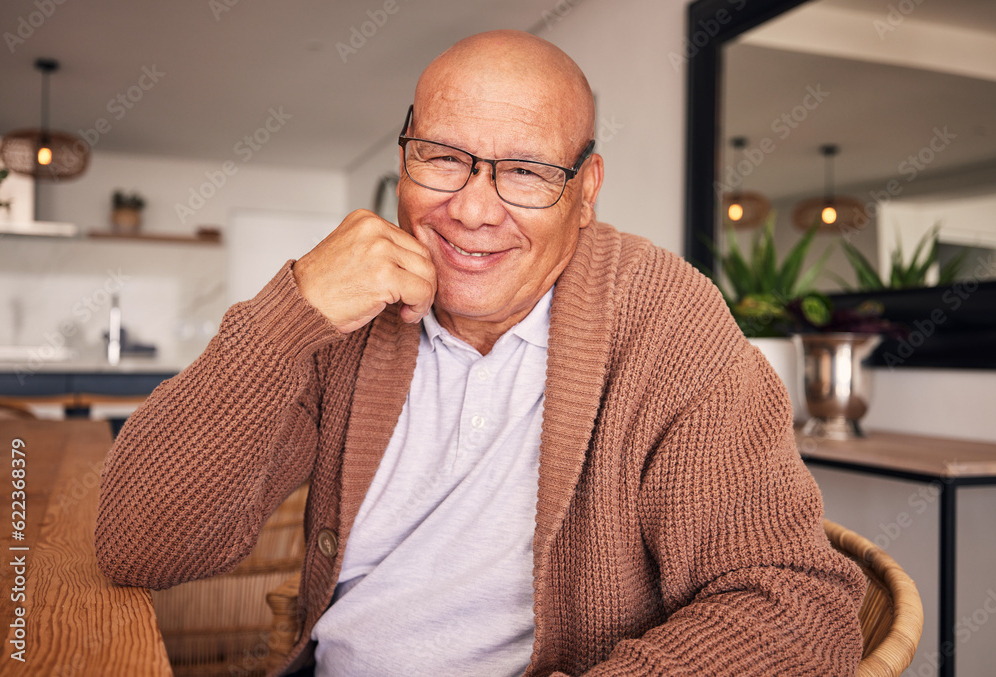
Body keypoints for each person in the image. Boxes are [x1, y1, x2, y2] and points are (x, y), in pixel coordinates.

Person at [96, 30, 865, 676]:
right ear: (403, 155)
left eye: (525, 171)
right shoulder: (341, 309)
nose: (469, 209)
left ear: (585, 189)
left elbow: (797, 603)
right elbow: (139, 544)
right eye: (441, 156)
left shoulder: (665, 318)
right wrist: (285, 315)